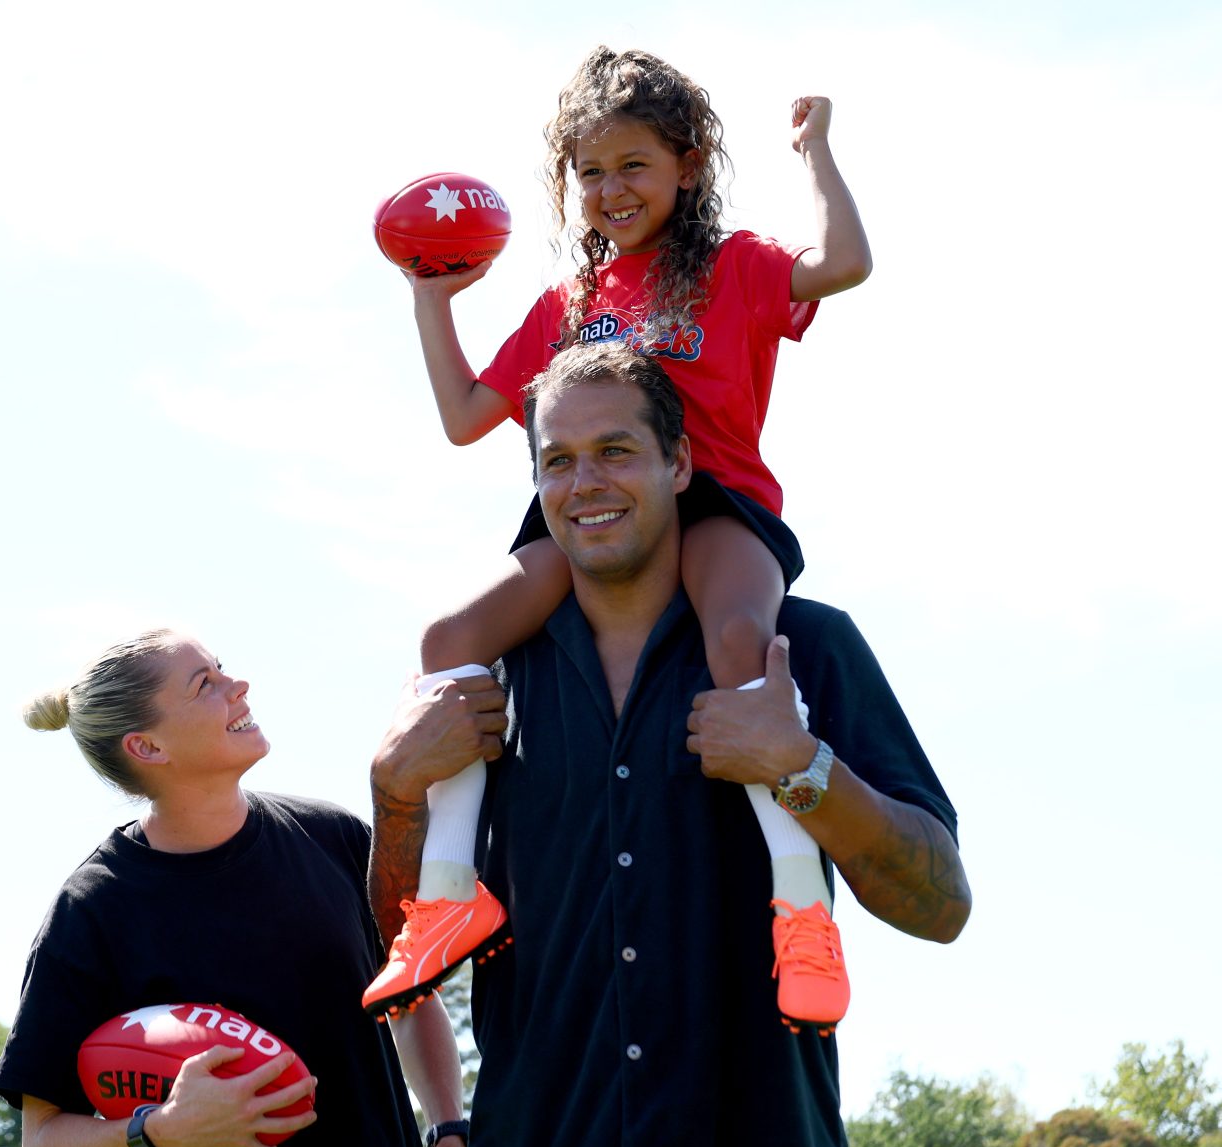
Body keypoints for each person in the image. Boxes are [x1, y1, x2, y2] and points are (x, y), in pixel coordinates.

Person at [368, 343, 969, 1147]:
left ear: (680, 464)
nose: (585, 483)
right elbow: (399, 939)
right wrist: (395, 790)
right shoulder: (477, 681)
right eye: (557, 461)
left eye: (616, 451)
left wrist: (803, 767)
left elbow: (941, 905)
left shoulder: (800, 646)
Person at [366, 45, 876, 1031]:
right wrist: (431, 299)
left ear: (688, 165)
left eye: (633, 165)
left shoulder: (735, 266)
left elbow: (845, 265)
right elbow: (470, 412)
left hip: (718, 499)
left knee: (740, 648)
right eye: (589, 173)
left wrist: (814, 151)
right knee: (448, 644)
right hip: (597, 515)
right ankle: (447, 894)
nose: (610, 190)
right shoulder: (568, 308)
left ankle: (803, 910)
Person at [0, 630, 471, 1147]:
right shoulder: (93, 911)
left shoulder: (333, 838)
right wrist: (163, 1130)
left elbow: (409, 995)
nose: (236, 687)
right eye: (204, 685)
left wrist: (448, 1131)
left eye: (223, 670)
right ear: (147, 746)